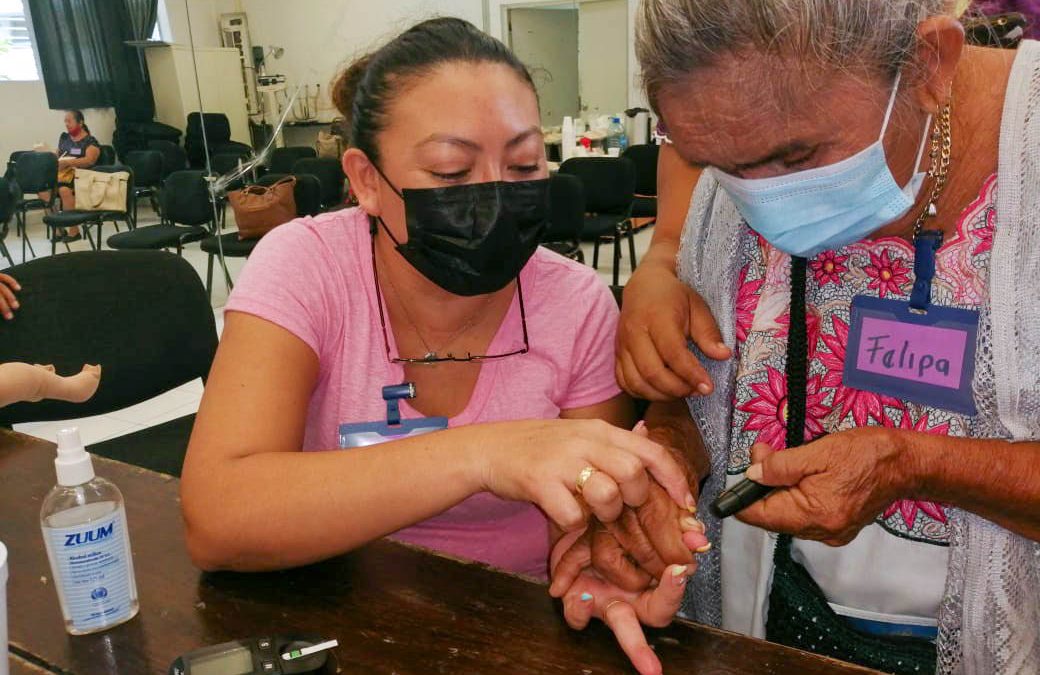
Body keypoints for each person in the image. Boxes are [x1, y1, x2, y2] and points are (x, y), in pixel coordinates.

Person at [181, 18, 708, 675]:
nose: (495, 197)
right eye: (452, 170)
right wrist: (484, 452)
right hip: (325, 616)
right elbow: (218, 516)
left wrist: (597, 565)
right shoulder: (305, 266)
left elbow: (585, 524)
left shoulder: (574, 303)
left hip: (508, 626)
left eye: (522, 165)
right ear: (367, 180)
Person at [616, 1, 1040, 673]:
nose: (761, 204)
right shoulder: (740, 139)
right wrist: (671, 441)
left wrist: (915, 463)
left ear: (930, 65)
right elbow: (715, 383)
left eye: (796, 156)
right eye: (715, 164)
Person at [37, 110, 100, 243]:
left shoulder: (90, 141)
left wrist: (68, 163)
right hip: (63, 175)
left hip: (82, 176)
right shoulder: (65, 139)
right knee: (42, 190)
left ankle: (74, 230)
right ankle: (59, 229)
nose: (66, 124)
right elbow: (58, 156)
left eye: (69, 121)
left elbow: (90, 160)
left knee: (64, 190)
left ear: (80, 122)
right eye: (65, 121)